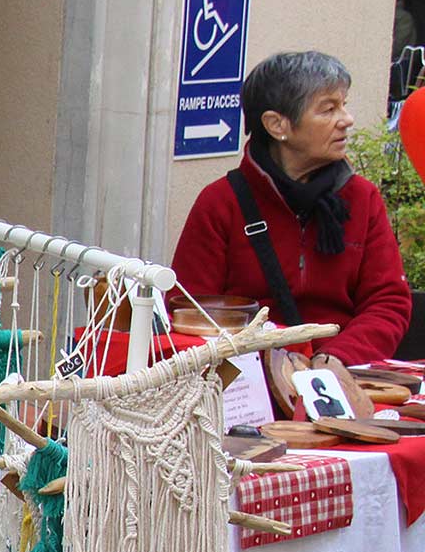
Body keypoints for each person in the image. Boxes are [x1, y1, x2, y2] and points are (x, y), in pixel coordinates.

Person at [173, 50, 410, 366]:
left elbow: (388, 304)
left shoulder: (362, 198)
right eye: (328, 109)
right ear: (277, 125)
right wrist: (265, 367)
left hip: (339, 373)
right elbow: (189, 311)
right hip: (246, 376)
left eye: (344, 105)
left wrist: (334, 360)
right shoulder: (221, 203)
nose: (346, 120)